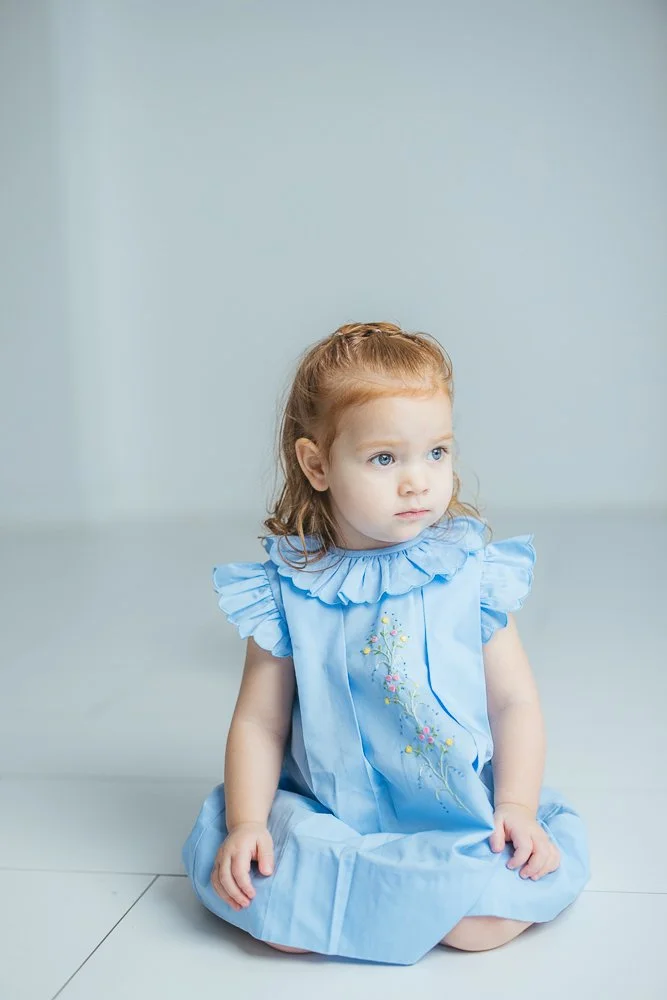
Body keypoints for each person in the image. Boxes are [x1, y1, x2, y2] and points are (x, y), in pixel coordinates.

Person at [182, 322, 590, 965]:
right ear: (317, 464)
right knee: (270, 911)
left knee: (478, 926)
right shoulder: (289, 587)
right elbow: (260, 723)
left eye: (436, 453)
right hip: (331, 812)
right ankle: (370, 892)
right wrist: (249, 823)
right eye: (383, 458)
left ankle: (406, 898)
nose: (418, 482)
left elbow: (514, 702)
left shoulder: (468, 572)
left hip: (451, 813)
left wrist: (515, 804)